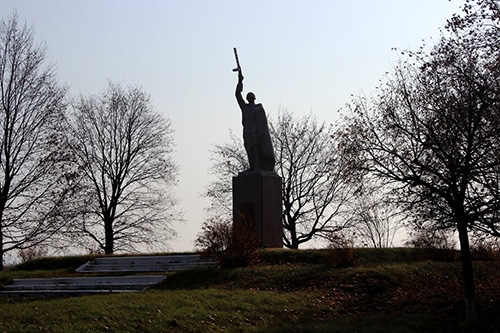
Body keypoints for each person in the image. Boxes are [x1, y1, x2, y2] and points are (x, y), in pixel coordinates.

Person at [235, 73, 275, 172]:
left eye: (251, 98)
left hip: (255, 131)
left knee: (256, 149)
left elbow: (262, 124)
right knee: (249, 149)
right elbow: (238, 95)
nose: (250, 99)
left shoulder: (258, 108)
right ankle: (252, 166)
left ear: (254, 99)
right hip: (247, 130)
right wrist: (240, 82)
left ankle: (257, 167)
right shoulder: (245, 107)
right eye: (248, 98)